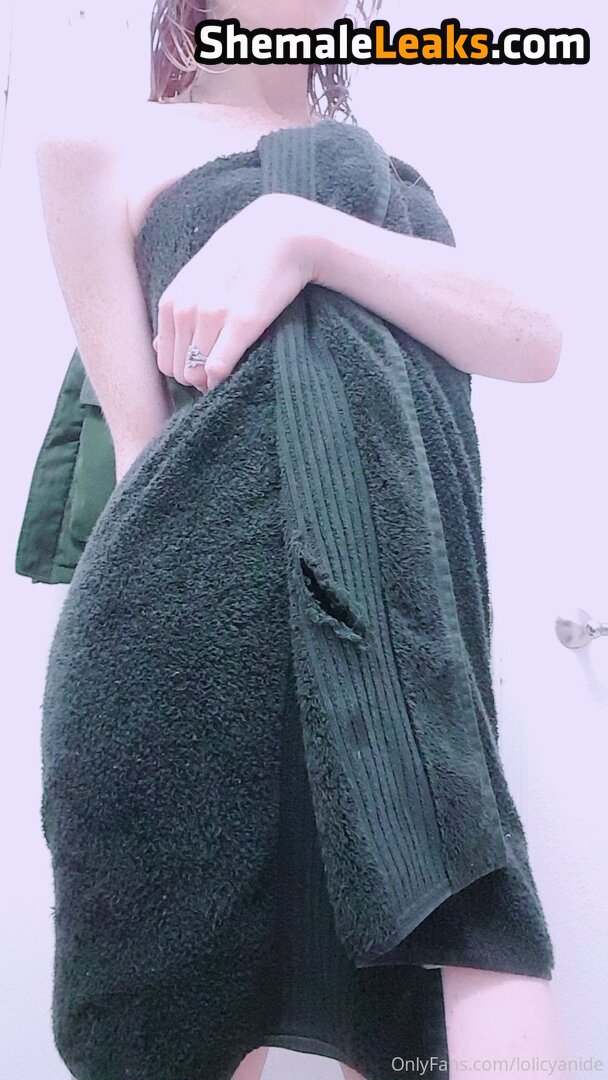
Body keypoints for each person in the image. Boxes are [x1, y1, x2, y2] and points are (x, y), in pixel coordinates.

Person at [30, 2, 567, 1078]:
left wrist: (305, 233)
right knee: (182, 1019)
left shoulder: (390, 177)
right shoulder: (95, 144)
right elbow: (142, 447)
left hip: (401, 655)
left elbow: (533, 342)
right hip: (181, 644)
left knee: (469, 972)